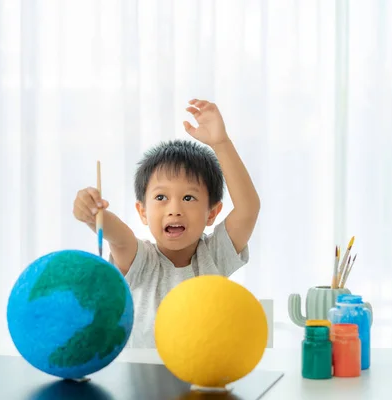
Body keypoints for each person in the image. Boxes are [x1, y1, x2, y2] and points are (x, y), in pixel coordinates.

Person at [72, 99, 260, 348]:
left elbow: (248, 208)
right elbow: (119, 236)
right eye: (161, 197)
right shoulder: (141, 260)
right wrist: (93, 214)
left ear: (212, 213)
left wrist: (221, 144)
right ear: (143, 212)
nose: (175, 210)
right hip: (145, 381)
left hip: (204, 378)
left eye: (188, 197)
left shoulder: (214, 255)